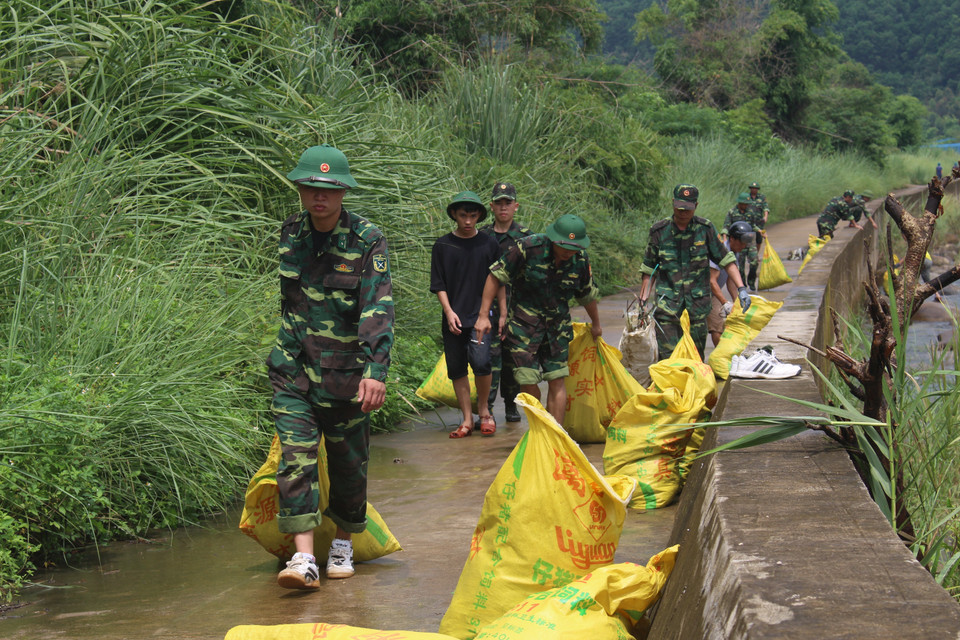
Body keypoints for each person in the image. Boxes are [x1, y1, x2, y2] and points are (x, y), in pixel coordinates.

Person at [269, 144, 394, 589]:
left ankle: (342, 543)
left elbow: (377, 305)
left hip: (346, 376)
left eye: (328, 189)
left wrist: (376, 370)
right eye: (310, 188)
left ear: (342, 192)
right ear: (301, 190)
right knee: (296, 459)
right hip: (294, 371)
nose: (318, 197)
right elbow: (290, 303)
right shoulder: (290, 234)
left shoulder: (366, 240)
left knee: (348, 464)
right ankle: (304, 559)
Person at [474, 214, 601, 426]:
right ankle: (539, 428)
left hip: (557, 328)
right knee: (527, 379)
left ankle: (555, 435)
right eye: (564, 246)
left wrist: (596, 324)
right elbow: (496, 276)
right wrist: (483, 316)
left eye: (574, 247)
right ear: (553, 239)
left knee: (557, 378)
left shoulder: (580, 260)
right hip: (524, 326)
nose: (569, 252)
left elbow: (586, 294)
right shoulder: (527, 248)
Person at [639, 184, 751, 359]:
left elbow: (727, 260)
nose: (683, 212)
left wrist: (742, 288)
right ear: (673, 203)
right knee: (668, 359)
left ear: (696, 206)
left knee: (696, 359)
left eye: (688, 208)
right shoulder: (659, 231)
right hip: (668, 308)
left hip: (697, 309)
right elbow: (649, 270)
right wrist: (643, 302)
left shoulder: (705, 229)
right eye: (680, 207)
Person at [431, 191, 503, 439]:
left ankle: (485, 412)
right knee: (457, 368)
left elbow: (499, 280)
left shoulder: (488, 244)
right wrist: (448, 312)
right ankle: (466, 419)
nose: (468, 221)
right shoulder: (442, 245)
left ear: (479, 216)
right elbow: (438, 283)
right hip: (453, 315)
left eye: (473, 216)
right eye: (463, 215)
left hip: (481, 316)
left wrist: (500, 314)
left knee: (482, 362)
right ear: (454, 215)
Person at [478, 182, 533, 423]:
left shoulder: (527, 238)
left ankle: (511, 405)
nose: (503, 207)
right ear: (491, 206)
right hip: (486, 307)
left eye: (508, 203)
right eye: (499, 203)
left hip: (517, 307)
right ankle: (486, 408)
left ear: (516, 206)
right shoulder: (482, 236)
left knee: (513, 359)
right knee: (488, 357)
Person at [708, 221, 753, 347]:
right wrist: (724, 302)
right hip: (704, 291)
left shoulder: (735, 253)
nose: (744, 246)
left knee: (720, 326)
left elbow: (730, 281)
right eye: (741, 242)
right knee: (716, 327)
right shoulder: (720, 251)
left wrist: (737, 301)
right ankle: (721, 358)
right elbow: (712, 280)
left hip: (714, 291)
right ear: (732, 238)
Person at [721, 192, 761, 291]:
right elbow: (726, 226)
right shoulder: (732, 212)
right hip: (737, 241)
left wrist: (760, 231)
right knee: (740, 266)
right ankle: (742, 286)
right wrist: (725, 239)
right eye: (743, 204)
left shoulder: (750, 212)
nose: (745, 206)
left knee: (754, 261)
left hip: (749, 240)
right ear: (739, 203)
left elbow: (753, 225)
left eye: (746, 204)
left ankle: (751, 281)